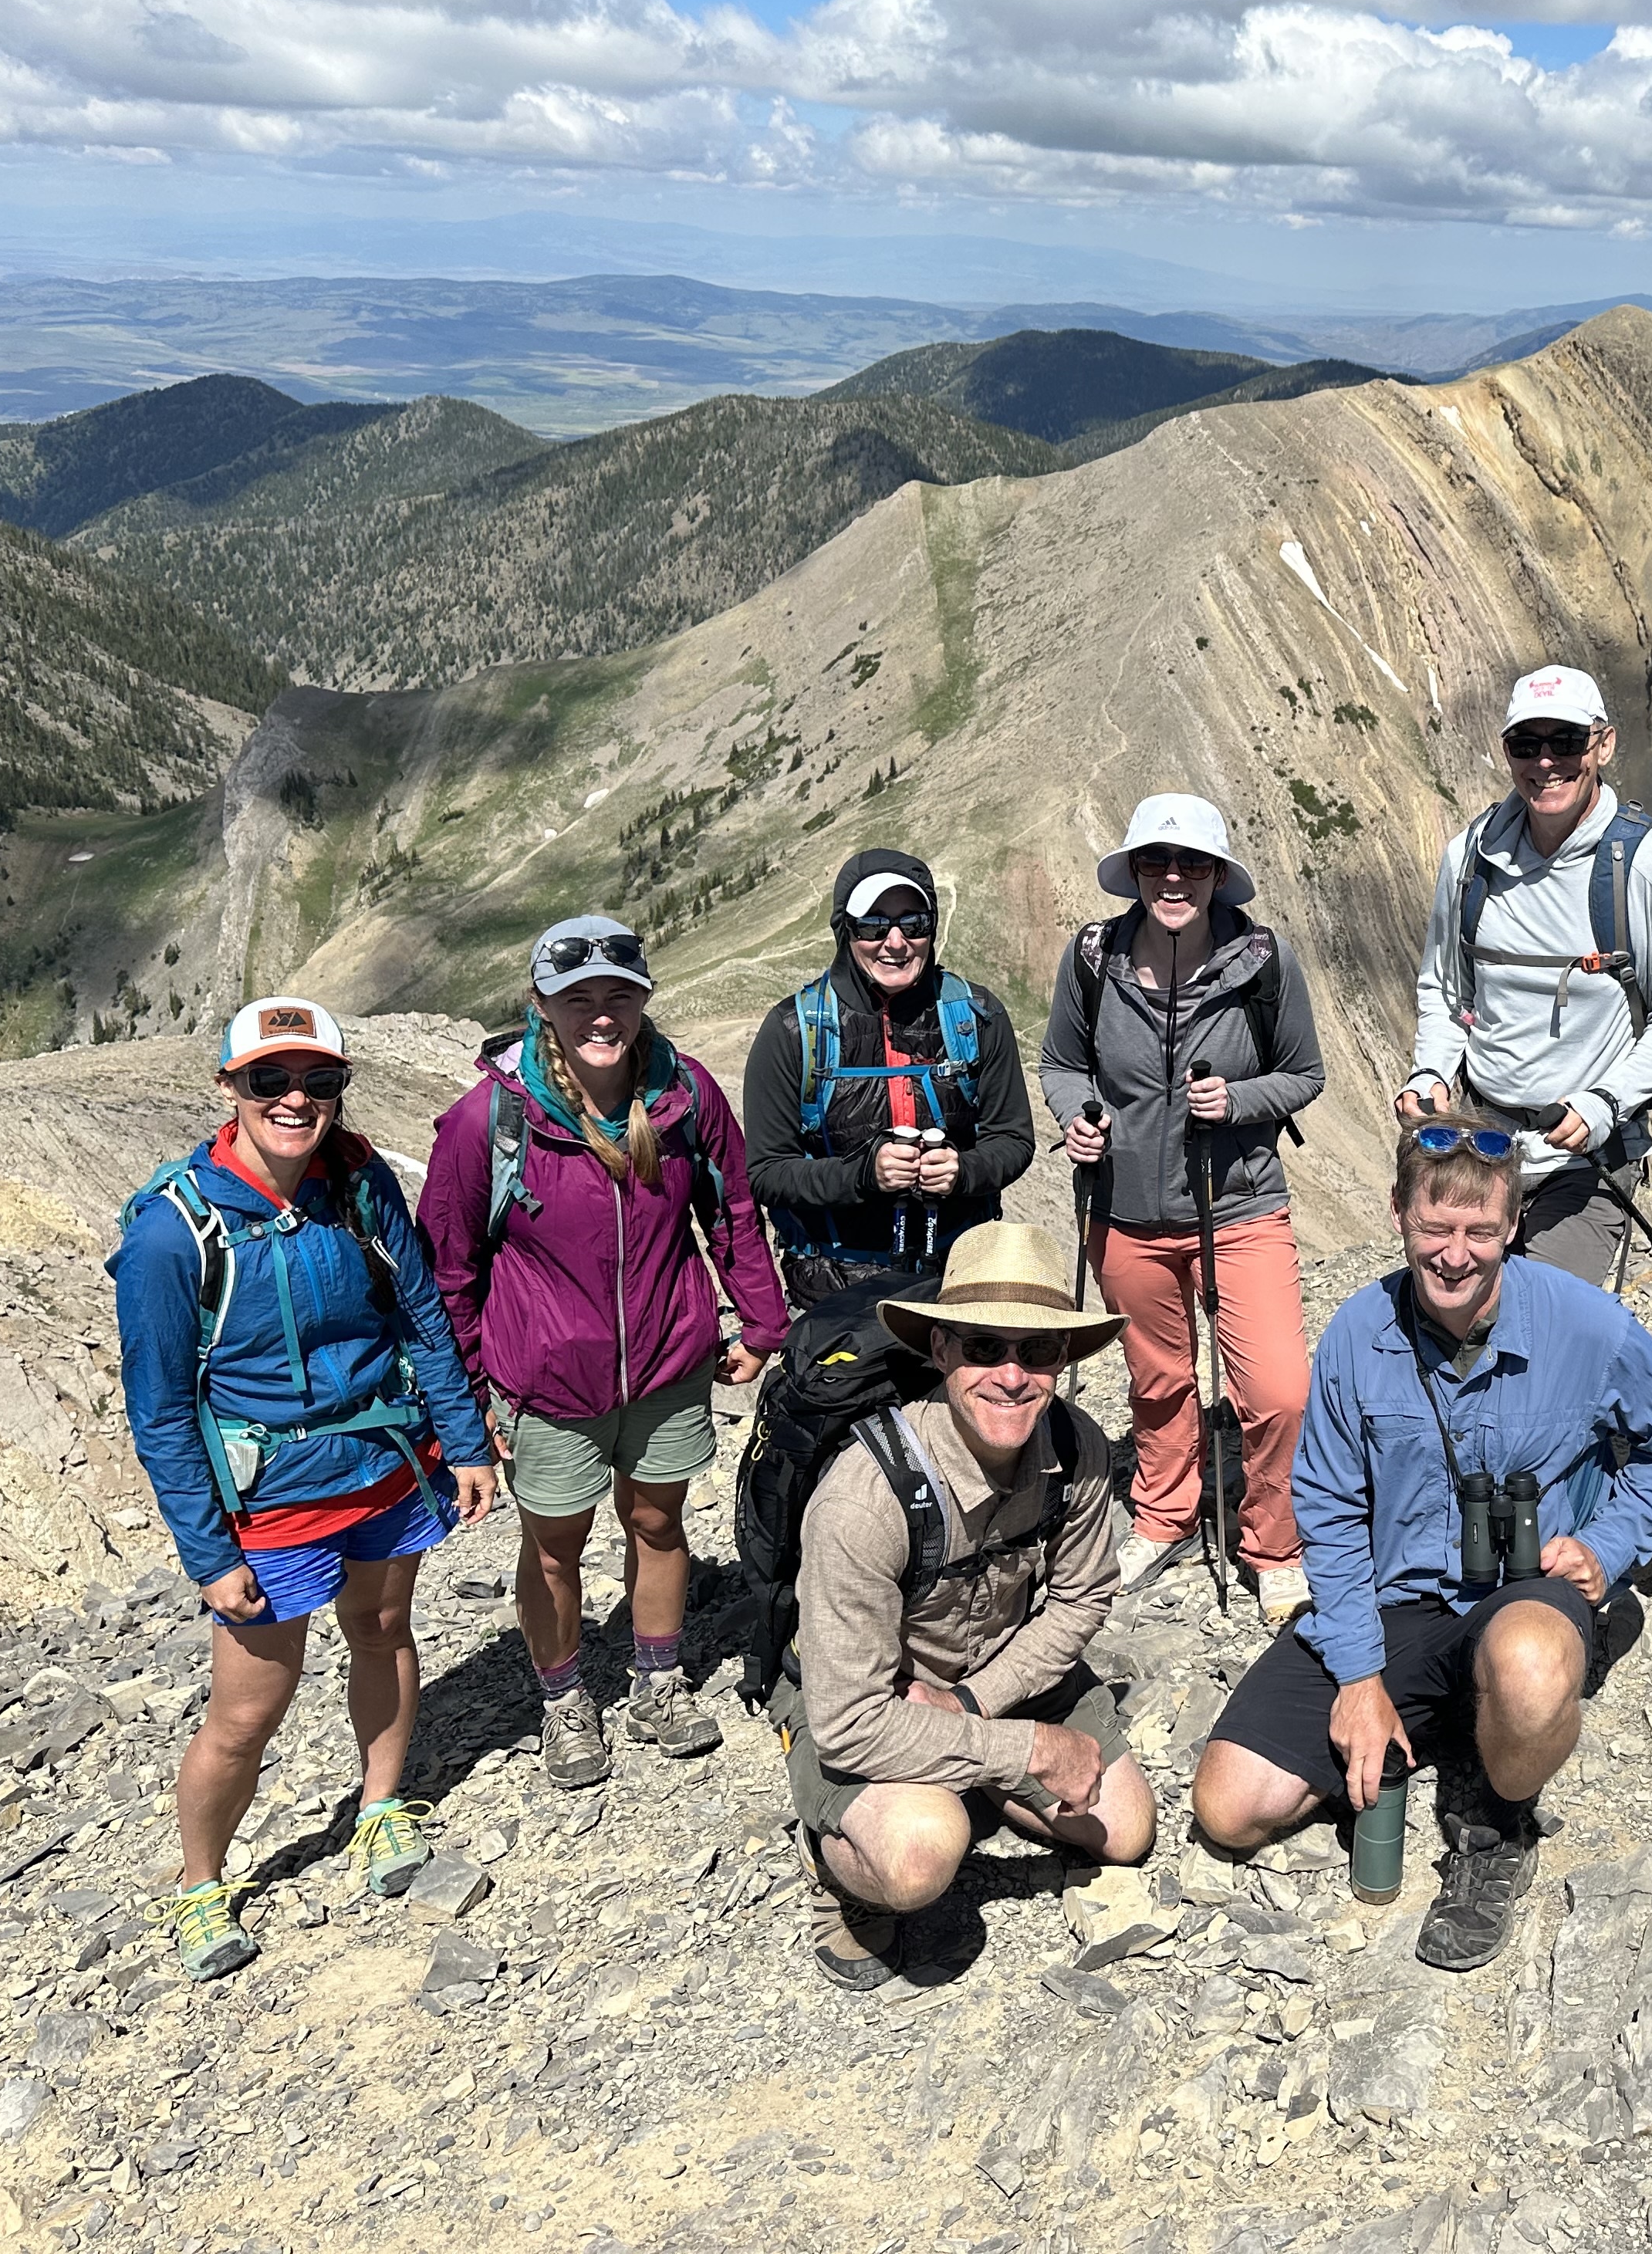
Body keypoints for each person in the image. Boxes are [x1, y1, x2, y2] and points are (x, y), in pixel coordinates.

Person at [1192, 1119, 1652, 1972]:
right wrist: (1359, 1680)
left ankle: (1499, 1822)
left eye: (1479, 1232)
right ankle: (1454, 1719)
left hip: (1522, 1593)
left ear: (1513, 1224)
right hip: (1397, 1603)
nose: (1456, 1255)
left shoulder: (1587, 1325)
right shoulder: (1358, 1336)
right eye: (1435, 1229)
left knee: (1532, 1664)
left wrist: (1610, 1545)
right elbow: (1325, 1505)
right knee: (1230, 1806)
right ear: (1398, 1213)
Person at [110, 997, 500, 1982]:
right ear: (229, 1090)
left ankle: (378, 1813)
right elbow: (159, 1411)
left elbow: (418, 1315)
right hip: (273, 1505)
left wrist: (465, 1442)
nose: (295, 1099)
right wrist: (209, 1555)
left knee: (381, 1633)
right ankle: (202, 1887)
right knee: (247, 1711)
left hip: (386, 1469)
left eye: (318, 1081)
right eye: (270, 1080)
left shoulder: (360, 1183)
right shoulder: (171, 1232)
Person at [418, 917, 791, 1792]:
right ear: (541, 1004)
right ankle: (564, 1700)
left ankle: (657, 1681)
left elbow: (731, 1210)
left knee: (659, 1523)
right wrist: (469, 1390)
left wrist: (761, 1322)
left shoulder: (686, 1094)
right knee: (556, 1545)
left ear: (644, 998)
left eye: (618, 995)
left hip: (666, 1362)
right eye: (578, 998)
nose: (601, 1015)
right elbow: (452, 1266)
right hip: (546, 1381)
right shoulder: (490, 1120)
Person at [772, 1222, 1147, 1989]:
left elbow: (1080, 1598)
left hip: (986, 1678)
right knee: (917, 1856)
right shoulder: (864, 1500)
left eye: (1037, 1350)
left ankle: (968, 1779)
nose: (1011, 1374)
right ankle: (836, 1863)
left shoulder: (1079, 1452)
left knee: (1125, 1830)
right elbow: (848, 1725)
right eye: (982, 1347)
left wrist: (974, 1705)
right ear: (939, 1350)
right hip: (867, 1702)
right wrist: (1030, 1750)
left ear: (1065, 1359)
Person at [1042, 793, 1325, 1627]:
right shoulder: (1093, 957)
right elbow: (1061, 1062)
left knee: (1278, 1391)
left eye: (1192, 864)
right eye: (1156, 863)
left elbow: (1305, 1076)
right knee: (1158, 1381)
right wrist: (1077, 1117)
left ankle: (1275, 1545)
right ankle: (1164, 1514)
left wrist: (1236, 1100)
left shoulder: (1264, 962)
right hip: (1124, 1210)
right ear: (1133, 873)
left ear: (1218, 876)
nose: (1173, 878)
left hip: (1237, 1205)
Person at [1397, 664, 1652, 1286]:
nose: (1545, 763)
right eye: (1526, 744)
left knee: (1547, 1329)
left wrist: (1606, 1104)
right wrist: (1431, 1070)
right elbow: (1446, 989)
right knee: (1461, 1325)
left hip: (1585, 1160)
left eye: (1566, 742)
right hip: (1479, 1148)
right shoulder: (1468, 859)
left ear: (1604, 744)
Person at [743, 848, 1037, 1304]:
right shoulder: (793, 1030)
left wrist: (964, 1170)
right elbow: (767, 1172)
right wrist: (862, 1175)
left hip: (959, 1280)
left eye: (913, 923)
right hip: (835, 1294)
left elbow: (1014, 1139)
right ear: (846, 930)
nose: (896, 942)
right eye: (874, 925)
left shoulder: (977, 1017)